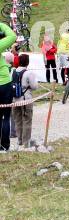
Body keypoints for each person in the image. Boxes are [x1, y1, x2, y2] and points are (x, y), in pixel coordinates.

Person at [12, 54, 38, 148]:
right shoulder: (29, 73)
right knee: (27, 120)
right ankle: (26, 142)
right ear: (28, 62)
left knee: (18, 120)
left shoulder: (13, 72)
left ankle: (19, 140)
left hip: (15, 99)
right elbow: (34, 86)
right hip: (26, 99)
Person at [0, 22, 17, 151]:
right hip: (4, 83)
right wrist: (1, 24)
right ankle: (4, 146)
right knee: (6, 116)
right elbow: (12, 36)